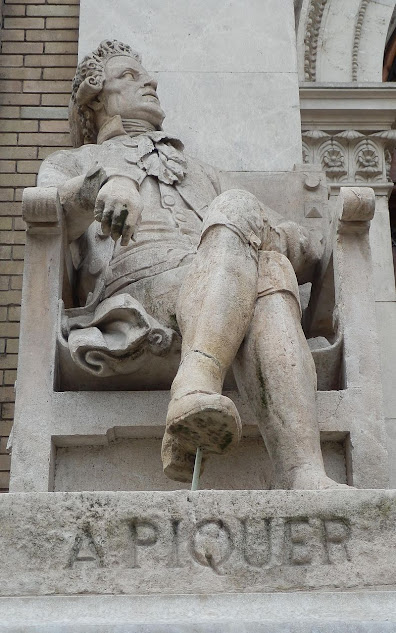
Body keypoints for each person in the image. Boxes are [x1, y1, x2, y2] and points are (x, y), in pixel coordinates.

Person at [38, 39, 349, 489]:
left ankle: (201, 392)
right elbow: (47, 210)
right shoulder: (74, 160)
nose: (151, 81)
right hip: (136, 291)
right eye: (129, 75)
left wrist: (298, 237)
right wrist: (103, 186)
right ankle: (299, 470)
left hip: (213, 272)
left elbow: (292, 238)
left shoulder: (200, 171)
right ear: (96, 94)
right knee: (265, 271)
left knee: (265, 258)